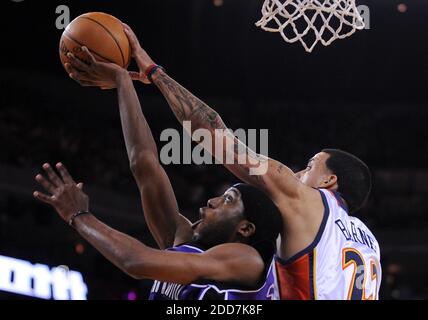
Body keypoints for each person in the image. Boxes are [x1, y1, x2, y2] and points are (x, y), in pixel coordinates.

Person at [113, 24, 380, 300]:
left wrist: (154, 72)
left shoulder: (308, 201)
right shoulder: (370, 244)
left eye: (311, 166)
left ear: (329, 180)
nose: (299, 173)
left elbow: (216, 136)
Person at [34, 50, 282, 300]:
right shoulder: (183, 239)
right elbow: (145, 165)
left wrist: (79, 216)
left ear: (246, 228)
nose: (212, 201)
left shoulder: (248, 260)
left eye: (228, 200)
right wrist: (123, 81)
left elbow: (135, 262)